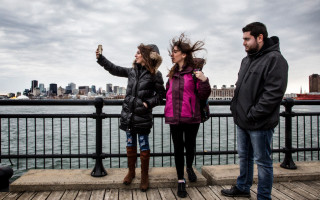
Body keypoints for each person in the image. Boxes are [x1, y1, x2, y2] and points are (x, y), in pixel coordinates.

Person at [221, 22, 288, 199]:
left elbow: (273, 93)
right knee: (244, 157)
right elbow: (239, 87)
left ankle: (263, 197)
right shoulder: (246, 60)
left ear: (260, 38)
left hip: (260, 122)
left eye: (246, 39)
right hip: (242, 120)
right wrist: (236, 109)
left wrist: (253, 114)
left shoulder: (275, 59)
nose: (243, 43)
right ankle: (243, 187)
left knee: (263, 162)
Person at [96, 43, 165, 192]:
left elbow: (161, 96)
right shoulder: (132, 71)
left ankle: (144, 176)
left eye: (138, 53)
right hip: (129, 116)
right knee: (130, 145)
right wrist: (101, 59)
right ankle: (131, 172)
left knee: (144, 145)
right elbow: (115, 69)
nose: (135, 55)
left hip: (143, 117)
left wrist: (148, 103)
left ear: (146, 56)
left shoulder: (155, 75)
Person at [164, 33, 211, 198]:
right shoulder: (171, 75)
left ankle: (189, 167)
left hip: (191, 116)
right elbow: (167, 94)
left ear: (183, 54)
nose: (172, 54)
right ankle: (180, 180)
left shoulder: (195, 73)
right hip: (174, 117)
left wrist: (204, 80)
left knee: (189, 146)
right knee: (178, 148)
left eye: (175, 51)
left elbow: (204, 94)